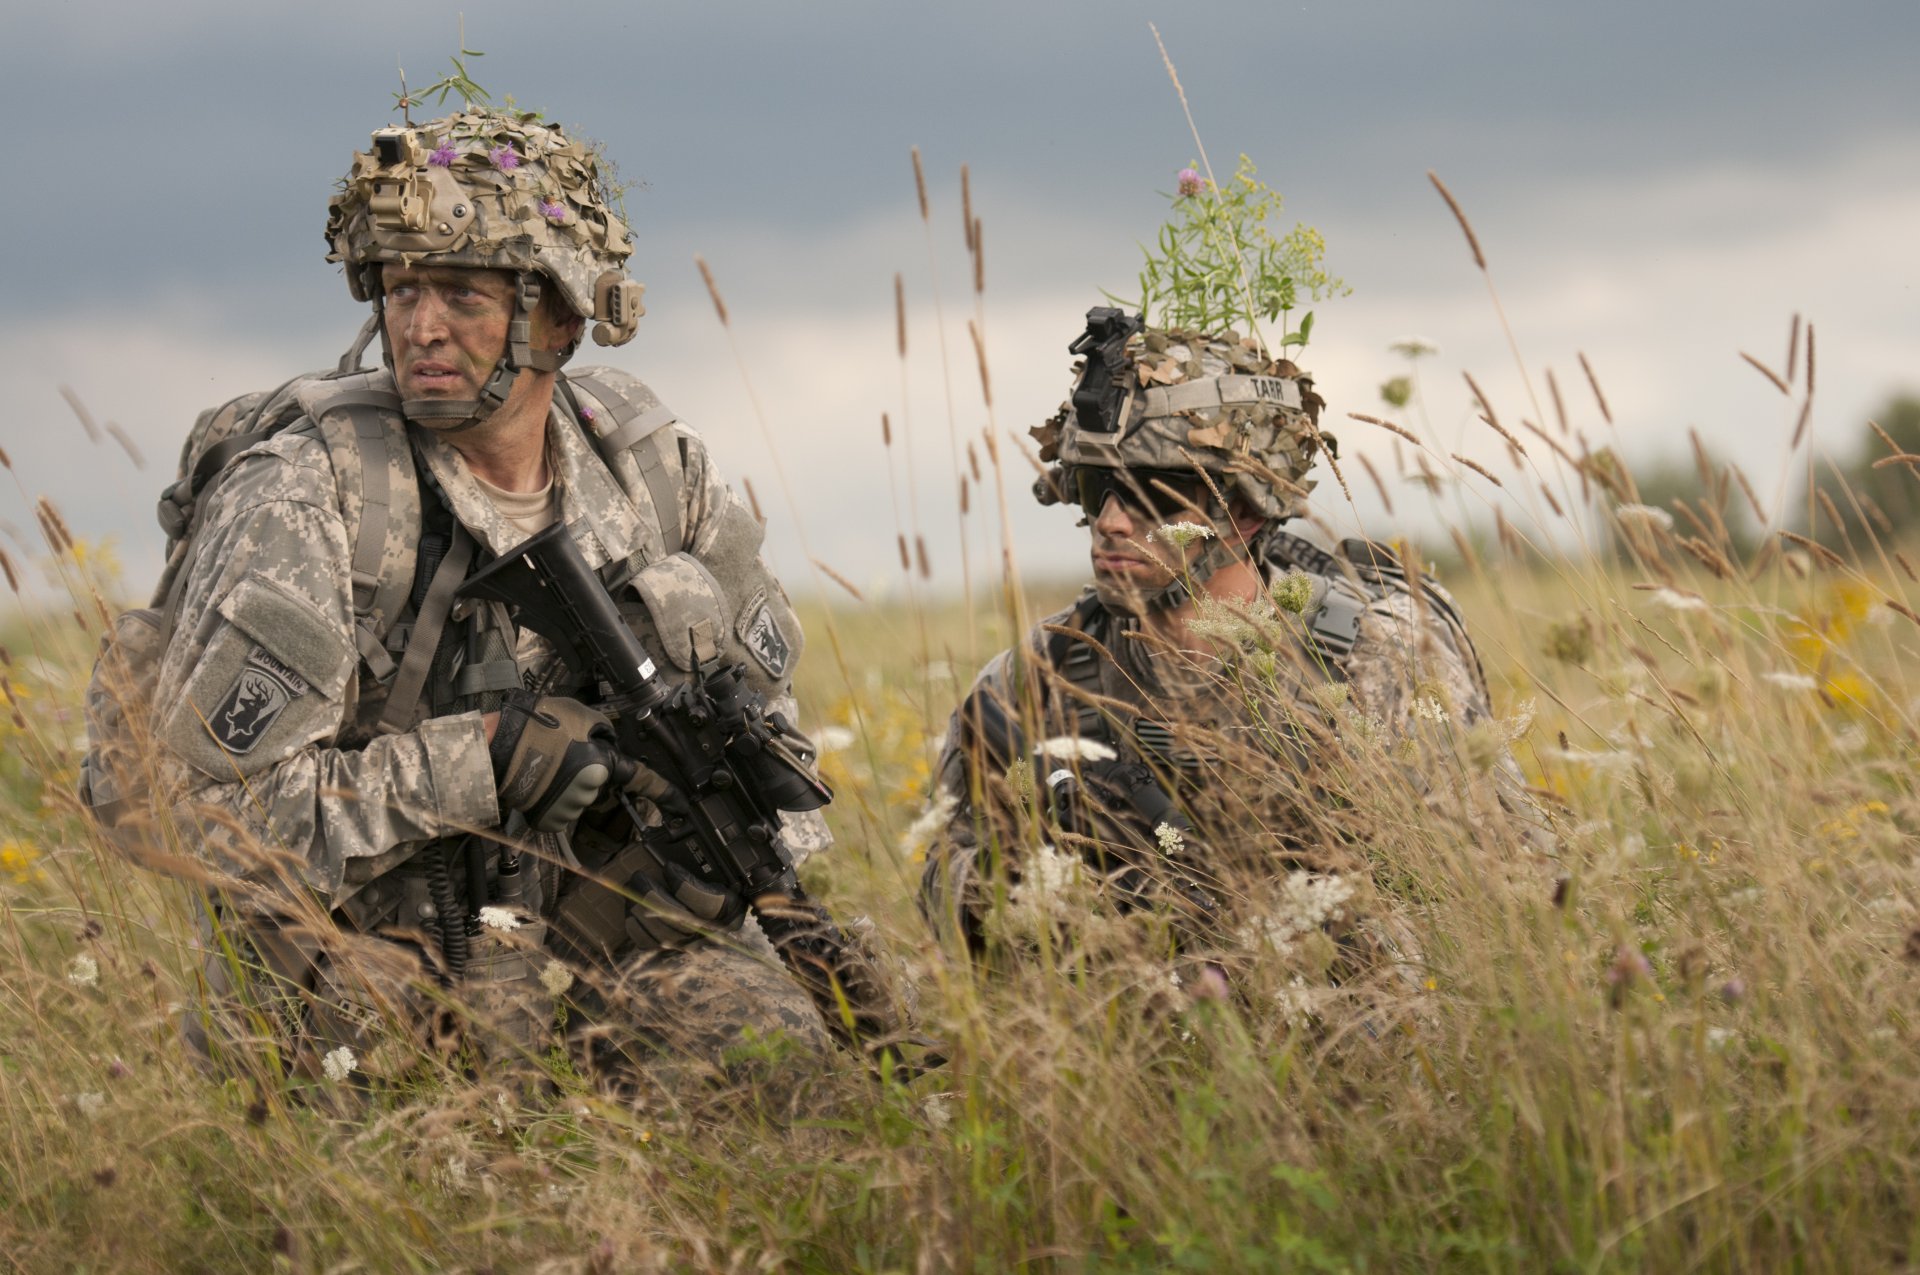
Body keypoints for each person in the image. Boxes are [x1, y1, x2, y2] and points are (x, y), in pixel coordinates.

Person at [135, 107, 843, 1098]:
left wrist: (702, 825)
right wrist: (480, 765)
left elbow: (774, 738)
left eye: (462, 294)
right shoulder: (314, 495)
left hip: (594, 961)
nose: (420, 326)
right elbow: (199, 818)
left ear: (557, 315)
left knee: (792, 1066)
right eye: (399, 288)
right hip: (361, 976)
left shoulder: (655, 474)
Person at [919, 307, 1549, 976]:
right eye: (1097, 488)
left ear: (1243, 511)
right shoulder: (1034, 679)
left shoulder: (1370, 658)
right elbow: (948, 873)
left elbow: (1515, 878)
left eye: (1149, 494)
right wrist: (1053, 907)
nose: (1110, 522)